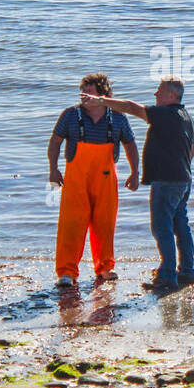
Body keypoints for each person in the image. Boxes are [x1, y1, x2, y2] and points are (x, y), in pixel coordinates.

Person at [82, 76, 194, 292]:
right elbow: (193, 149)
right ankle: (188, 272)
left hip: (167, 180)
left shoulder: (165, 113)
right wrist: (179, 163)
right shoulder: (186, 117)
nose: (155, 94)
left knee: (162, 227)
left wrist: (102, 101)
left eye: (159, 91)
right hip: (183, 179)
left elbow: (131, 108)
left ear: (172, 95)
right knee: (181, 225)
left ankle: (167, 276)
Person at [48, 73, 139, 288]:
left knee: (105, 223)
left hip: (106, 179)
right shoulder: (70, 115)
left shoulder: (117, 118)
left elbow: (130, 144)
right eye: (82, 92)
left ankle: (105, 267)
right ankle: (66, 272)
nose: (84, 96)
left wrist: (135, 172)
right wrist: (53, 169)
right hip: (75, 179)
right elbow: (55, 142)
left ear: (103, 95)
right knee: (71, 224)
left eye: (89, 92)